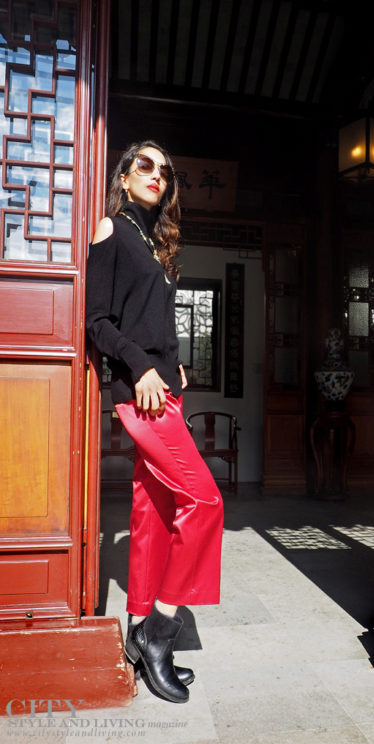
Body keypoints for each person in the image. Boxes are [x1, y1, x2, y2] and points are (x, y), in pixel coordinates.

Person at [85, 141, 223, 704]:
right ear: (124, 174)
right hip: (139, 392)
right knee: (206, 501)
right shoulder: (110, 229)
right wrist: (141, 366)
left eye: (165, 170)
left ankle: (137, 626)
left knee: (152, 512)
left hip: (166, 387)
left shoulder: (158, 243)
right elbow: (97, 320)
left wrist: (174, 361)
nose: (156, 175)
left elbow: (151, 320)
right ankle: (160, 630)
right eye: (145, 165)